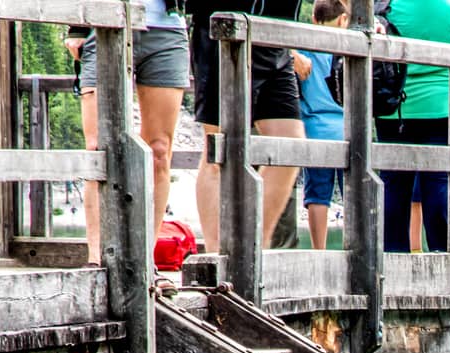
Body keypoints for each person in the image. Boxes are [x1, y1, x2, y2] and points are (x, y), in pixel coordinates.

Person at [65, 0, 190, 275]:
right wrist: (76, 25)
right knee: (98, 148)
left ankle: (145, 260)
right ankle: (97, 258)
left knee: (159, 151)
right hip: (105, 21)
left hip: (165, 27)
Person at [185, 1, 305, 253]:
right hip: (225, 31)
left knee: (289, 146)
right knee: (218, 150)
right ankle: (218, 255)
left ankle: (252, 248)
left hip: (275, 36)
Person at [375, 0, 450, 253]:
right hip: (442, 106)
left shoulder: (387, 8)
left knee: (393, 184)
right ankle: (443, 254)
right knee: (438, 181)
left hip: (395, 107)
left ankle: (391, 257)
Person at [294, 0, 348, 251]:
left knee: (317, 194)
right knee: (354, 192)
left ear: (315, 19)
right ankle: (354, 249)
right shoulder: (348, 49)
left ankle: (320, 251)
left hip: (315, 127)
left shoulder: (305, 50)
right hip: (347, 128)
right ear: (342, 20)